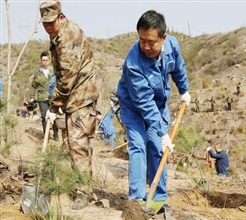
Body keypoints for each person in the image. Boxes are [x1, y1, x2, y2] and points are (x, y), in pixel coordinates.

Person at [117, 10, 191, 211]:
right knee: (139, 146)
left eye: (151, 41)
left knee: (158, 148)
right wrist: (162, 132)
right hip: (133, 107)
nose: (146, 46)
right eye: (142, 41)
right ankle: (137, 201)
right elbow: (144, 102)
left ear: (163, 38)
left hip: (158, 104)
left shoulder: (172, 46)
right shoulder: (133, 63)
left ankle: (158, 200)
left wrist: (184, 90)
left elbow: (178, 68)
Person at [39, 0, 99, 210]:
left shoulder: (67, 38)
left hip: (81, 96)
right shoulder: (57, 36)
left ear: (61, 18)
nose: (48, 26)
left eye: (51, 22)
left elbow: (66, 79)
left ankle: (84, 192)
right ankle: (81, 185)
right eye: (44, 23)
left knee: (77, 142)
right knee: (72, 142)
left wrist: (53, 107)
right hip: (73, 98)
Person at [31, 50, 59, 141]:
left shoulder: (53, 71)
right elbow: (34, 85)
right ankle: (46, 135)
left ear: (49, 61)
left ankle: (56, 133)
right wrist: (32, 97)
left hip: (52, 97)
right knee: (44, 116)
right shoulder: (37, 72)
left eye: (46, 60)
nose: (45, 62)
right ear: (41, 61)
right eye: (43, 60)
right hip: (42, 97)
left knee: (54, 115)